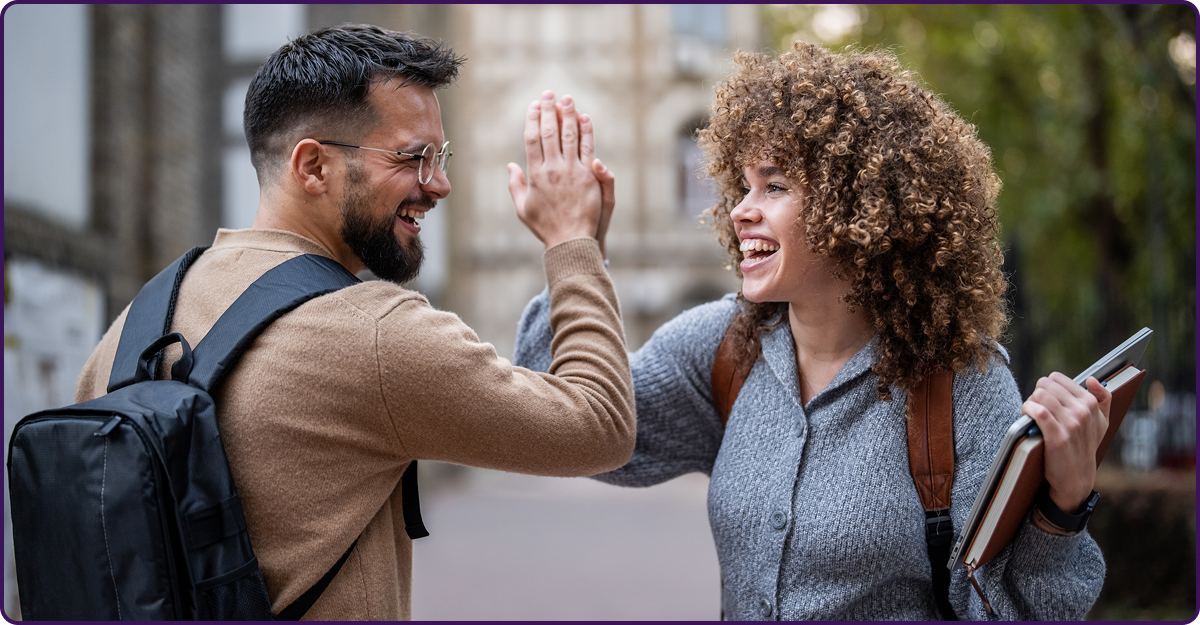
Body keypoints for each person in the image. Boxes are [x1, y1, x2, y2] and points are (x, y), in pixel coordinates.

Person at [515, 43, 1108, 620]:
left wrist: (1063, 510)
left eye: (774, 186)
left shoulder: (960, 384)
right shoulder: (724, 349)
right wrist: (576, 249)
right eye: (743, 185)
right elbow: (565, 429)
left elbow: (1009, 612)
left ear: (862, 209)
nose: (742, 208)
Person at [75, 24, 631, 620]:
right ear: (313, 166)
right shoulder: (374, 331)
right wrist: (574, 243)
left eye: (440, 158)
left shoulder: (133, 324)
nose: (438, 184)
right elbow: (598, 425)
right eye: (412, 157)